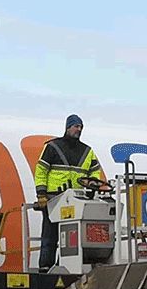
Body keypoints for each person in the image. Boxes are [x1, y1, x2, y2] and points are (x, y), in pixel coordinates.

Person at [33, 114, 105, 269]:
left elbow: (95, 172)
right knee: (50, 236)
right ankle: (45, 268)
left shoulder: (87, 151)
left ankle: (63, 267)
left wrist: (92, 183)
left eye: (81, 127)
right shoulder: (53, 147)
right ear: (68, 128)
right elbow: (41, 171)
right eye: (76, 126)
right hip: (54, 199)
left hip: (75, 201)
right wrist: (41, 194)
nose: (78, 129)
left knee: (71, 238)